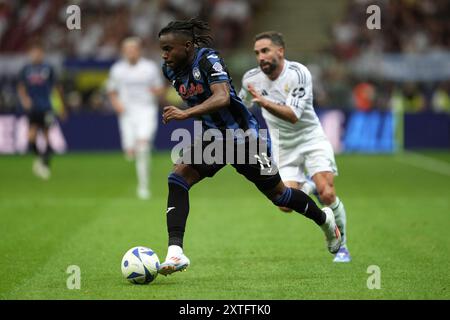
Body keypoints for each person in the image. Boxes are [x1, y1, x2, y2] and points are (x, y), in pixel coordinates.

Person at [156, 18, 342, 276]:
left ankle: (325, 220)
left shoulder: (208, 60)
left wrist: (186, 114)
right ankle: (175, 253)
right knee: (177, 179)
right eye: (162, 49)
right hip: (214, 139)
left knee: (281, 196)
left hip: (245, 138)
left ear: (187, 46)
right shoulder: (170, 70)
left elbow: (222, 97)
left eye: (168, 49)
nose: (164, 55)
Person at [239, 31, 351, 263]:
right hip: (283, 147)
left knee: (328, 192)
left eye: (265, 51)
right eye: (257, 53)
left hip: (310, 139)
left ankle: (342, 247)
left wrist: (264, 102)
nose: (260, 57)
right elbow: (241, 107)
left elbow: (293, 116)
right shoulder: (251, 79)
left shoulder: (298, 73)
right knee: (285, 205)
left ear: (280, 51)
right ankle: (309, 184)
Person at [107, 37, 165, 200]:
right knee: (130, 151)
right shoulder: (117, 69)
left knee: (143, 147)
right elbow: (111, 90)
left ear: (139, 50)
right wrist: (116, 104)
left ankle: (143, 187)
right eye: (128, 49)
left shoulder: (149, 68)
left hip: (146, 111)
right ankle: (130, 147)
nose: (131, 52)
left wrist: (157, 92)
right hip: (127, 113)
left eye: (134, 49)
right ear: (124, 52)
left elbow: (159, 87)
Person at [17, 43, 65, 180]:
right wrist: (25, 100)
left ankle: (45, 164)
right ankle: (40, 159)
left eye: (38, 52)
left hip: (46, 107)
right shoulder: (26, 69)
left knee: (47, 136)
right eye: (34, 52)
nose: (36, 55)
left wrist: (60, 107)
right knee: (30, 137)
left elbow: (56, 89)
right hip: (33, 108)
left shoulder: (48, 68)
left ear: (42, 54)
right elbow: (21, 87)